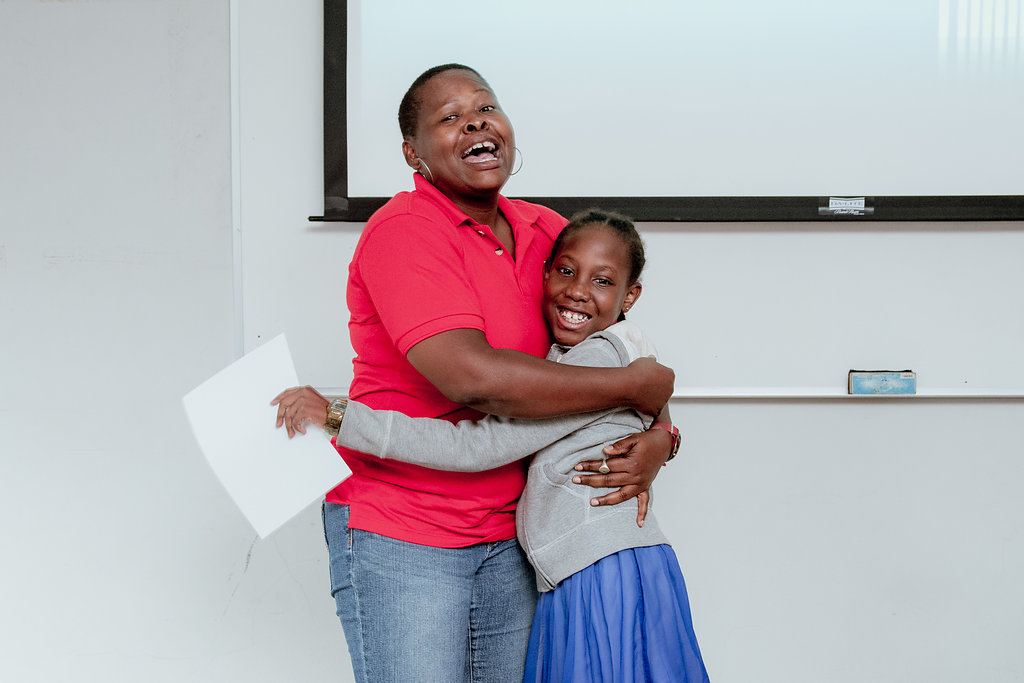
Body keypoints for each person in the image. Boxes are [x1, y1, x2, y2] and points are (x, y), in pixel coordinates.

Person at [273, 65, 676, 683]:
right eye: (449, 117)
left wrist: (661, 437)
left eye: (485, 108)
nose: (474, 122)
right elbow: (474, 380)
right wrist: (634, 391)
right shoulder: (404, 231)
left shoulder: (549, 233)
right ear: (413, 154)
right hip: (406, 530)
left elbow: (618, 346)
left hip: (518, 535)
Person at [325, 210, 710, 683]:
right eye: (565, 271)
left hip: (595, 566)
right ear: (546, 273)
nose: (577, 290)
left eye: (601, 280)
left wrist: (338, 417)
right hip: (585, 560)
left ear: (629, 295)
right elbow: (646, 387)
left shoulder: (590, 351)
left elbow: (479, 445)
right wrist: (661, 431)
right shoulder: (595, 353)